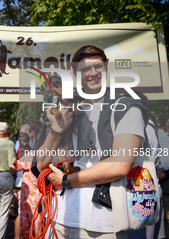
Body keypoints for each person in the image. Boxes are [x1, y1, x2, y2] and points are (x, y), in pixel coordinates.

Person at [36, 45, 149, 238]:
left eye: (98, 66)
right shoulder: (66, 108)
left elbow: (120, 165)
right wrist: (57, 129)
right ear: (75, 74)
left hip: (103, 222)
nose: (93, 73)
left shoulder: (127, 108)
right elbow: (41, 165)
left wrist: (65, 180)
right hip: (60, 217)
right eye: (85, 69)